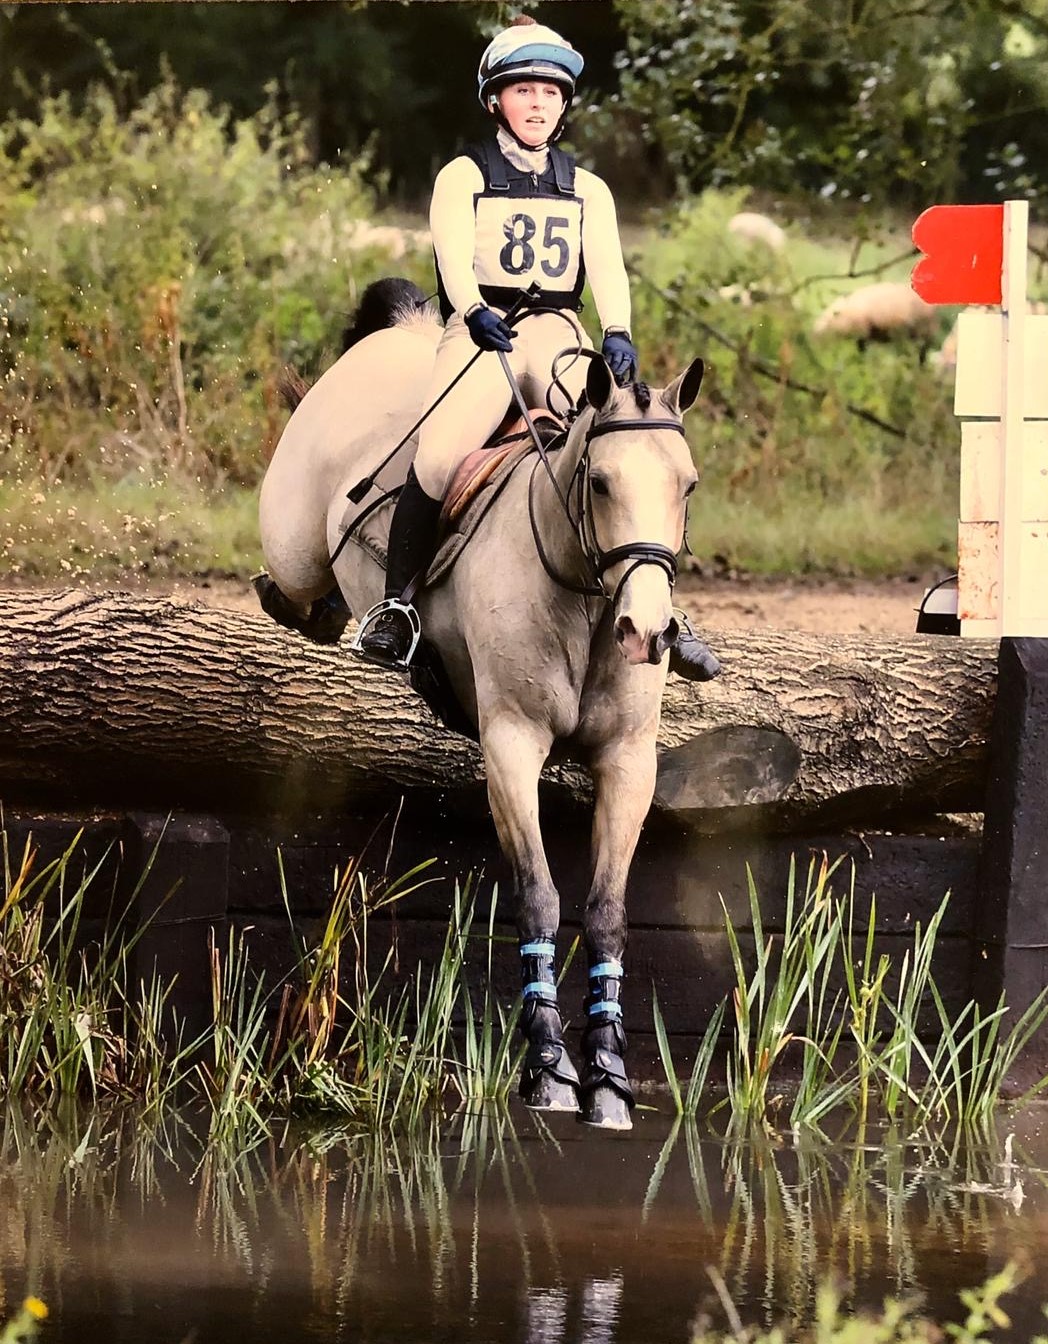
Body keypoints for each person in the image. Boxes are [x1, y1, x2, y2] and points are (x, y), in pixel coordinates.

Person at [356, 16, 719, 682]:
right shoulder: (463, 174)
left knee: (626, 447)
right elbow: (452, 255)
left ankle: (666, 611)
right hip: (484, 330)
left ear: (563, 105)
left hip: (557, 331)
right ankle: (398, 608)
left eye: (550, 93)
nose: (538, 104)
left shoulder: (588, 188)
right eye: (523, 90)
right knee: (437, 456)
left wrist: (617, 330)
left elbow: (606, 267)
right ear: (496, 100)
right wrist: (472, 309)